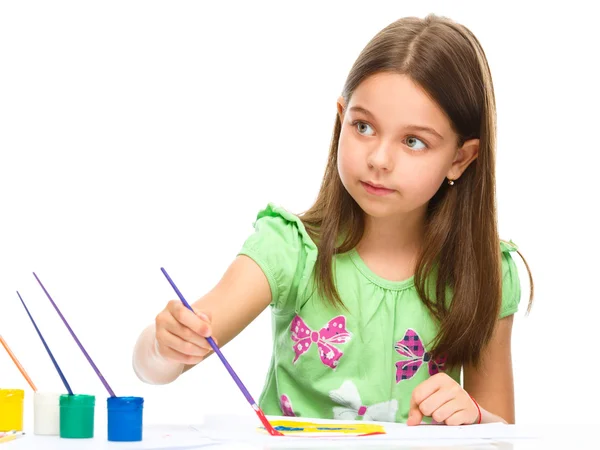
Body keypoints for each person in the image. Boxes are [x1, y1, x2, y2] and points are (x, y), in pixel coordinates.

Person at [132, 13, 534, 426]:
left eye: (413, 141)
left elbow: (501, 430)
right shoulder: (288, 249)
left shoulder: (486, 272)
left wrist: (477, 415)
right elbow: (158, 366)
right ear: (342, 119)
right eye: (363, 127)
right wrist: (163, 347)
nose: (379, 159)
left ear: (459, 158)